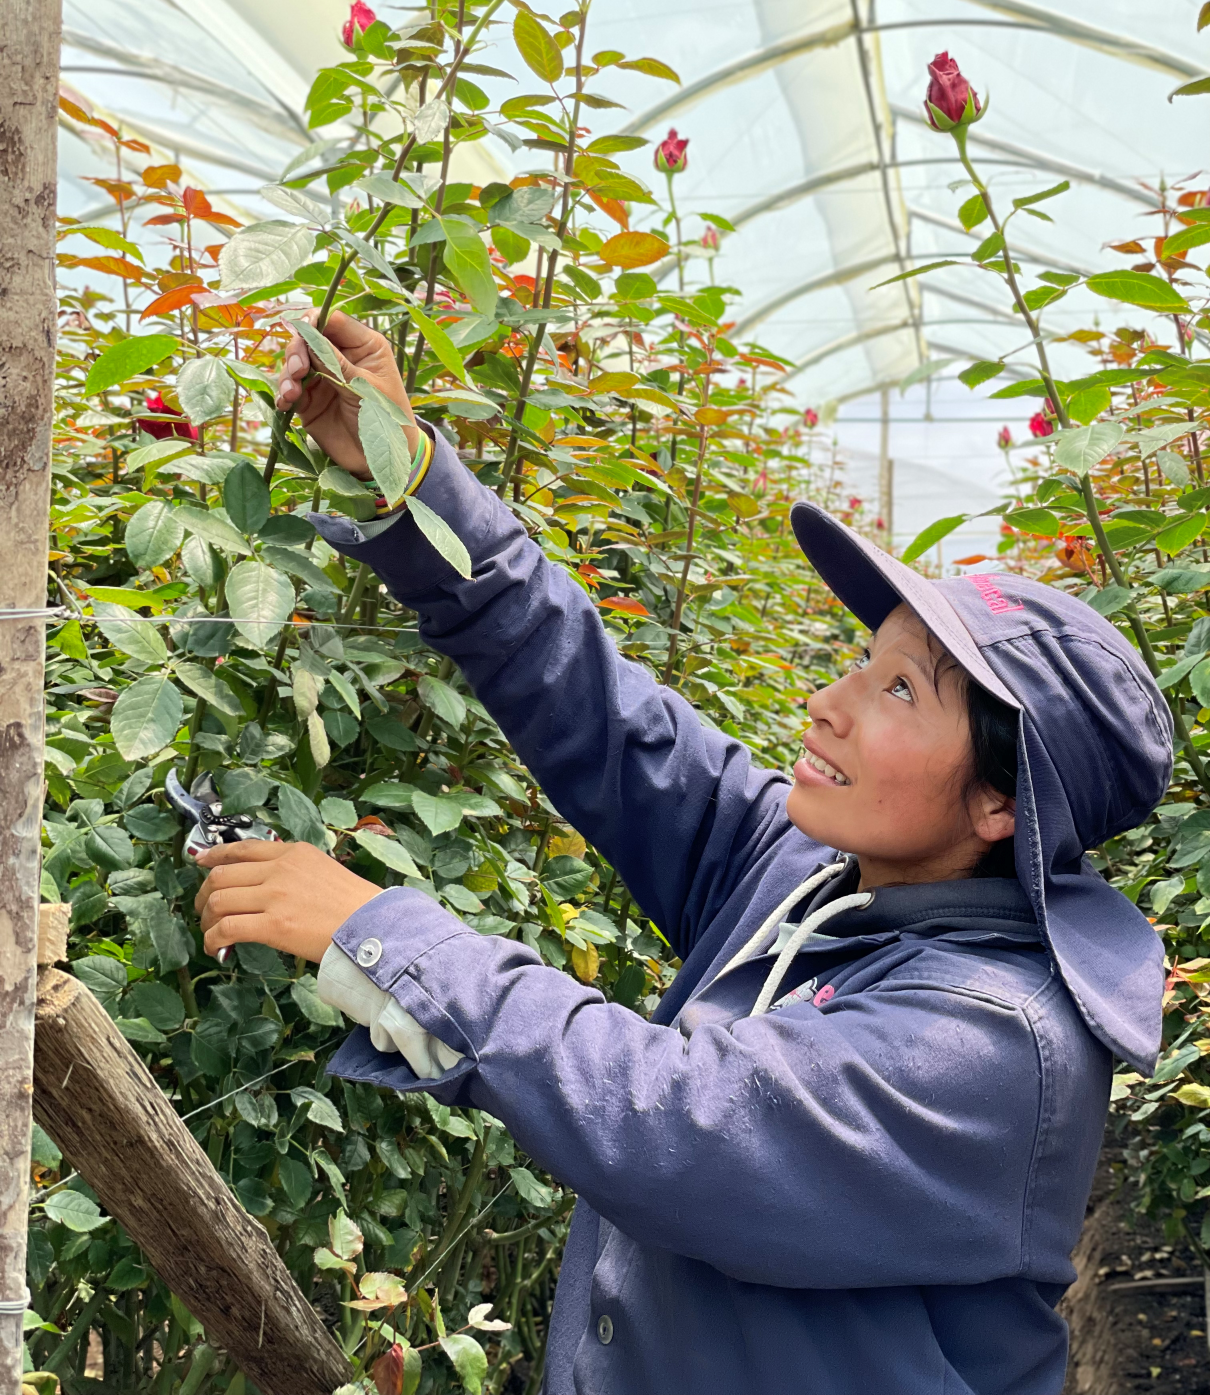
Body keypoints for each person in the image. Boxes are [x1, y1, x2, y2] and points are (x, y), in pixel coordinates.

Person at [196, 312, 1173, 1395]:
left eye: (899, 688)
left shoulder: (997, 1042)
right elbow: (594, 704)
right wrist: (408, 464)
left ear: (999, 798)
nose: (825, 703)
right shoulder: (810, 875)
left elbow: (677, 1119)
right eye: (861, 660)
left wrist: (385, 935)